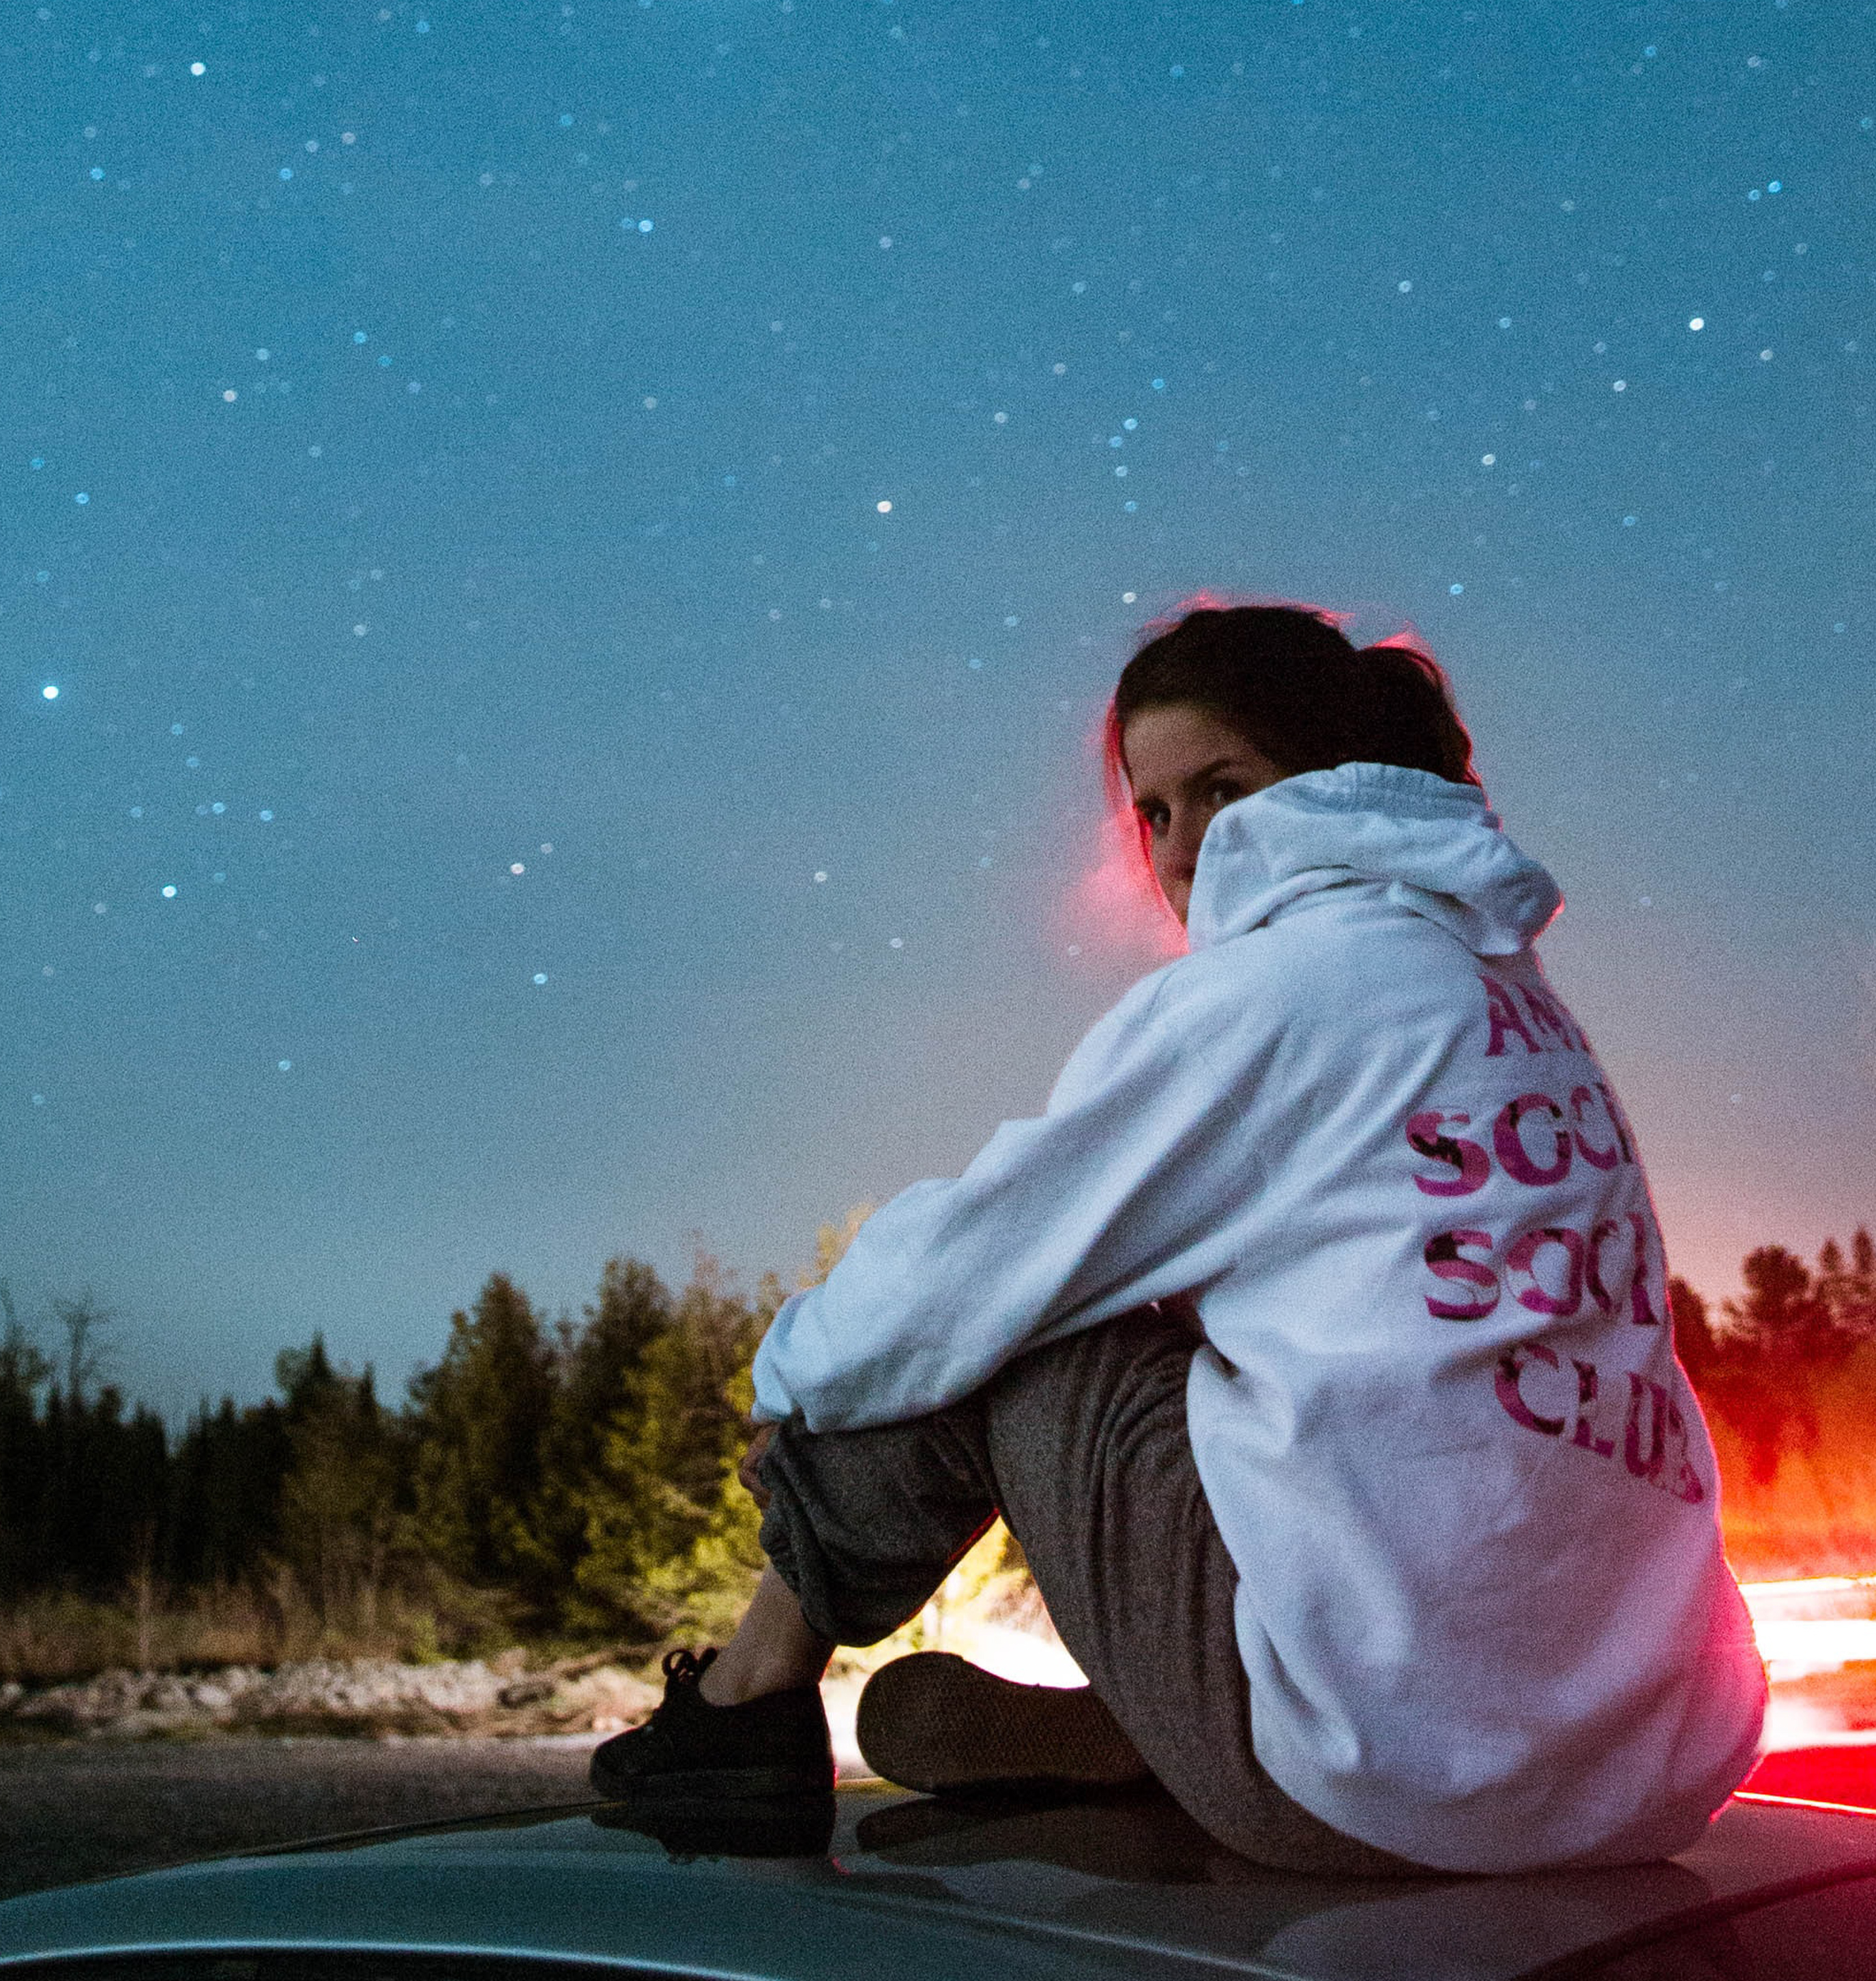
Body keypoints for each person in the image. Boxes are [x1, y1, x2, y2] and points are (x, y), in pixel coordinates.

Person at [589, 602, 1768, 1875]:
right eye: (1153, 813)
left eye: (1226, 789)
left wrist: (792, 1384)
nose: (1188, 847)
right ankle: (1162, 1721)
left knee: (1021, 1319)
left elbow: (969, 1268)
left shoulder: (1276, 993)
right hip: (1644, 1772)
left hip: (1394, 1786)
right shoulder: (1510, 996)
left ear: (1333, 779)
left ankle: (749, 1707)